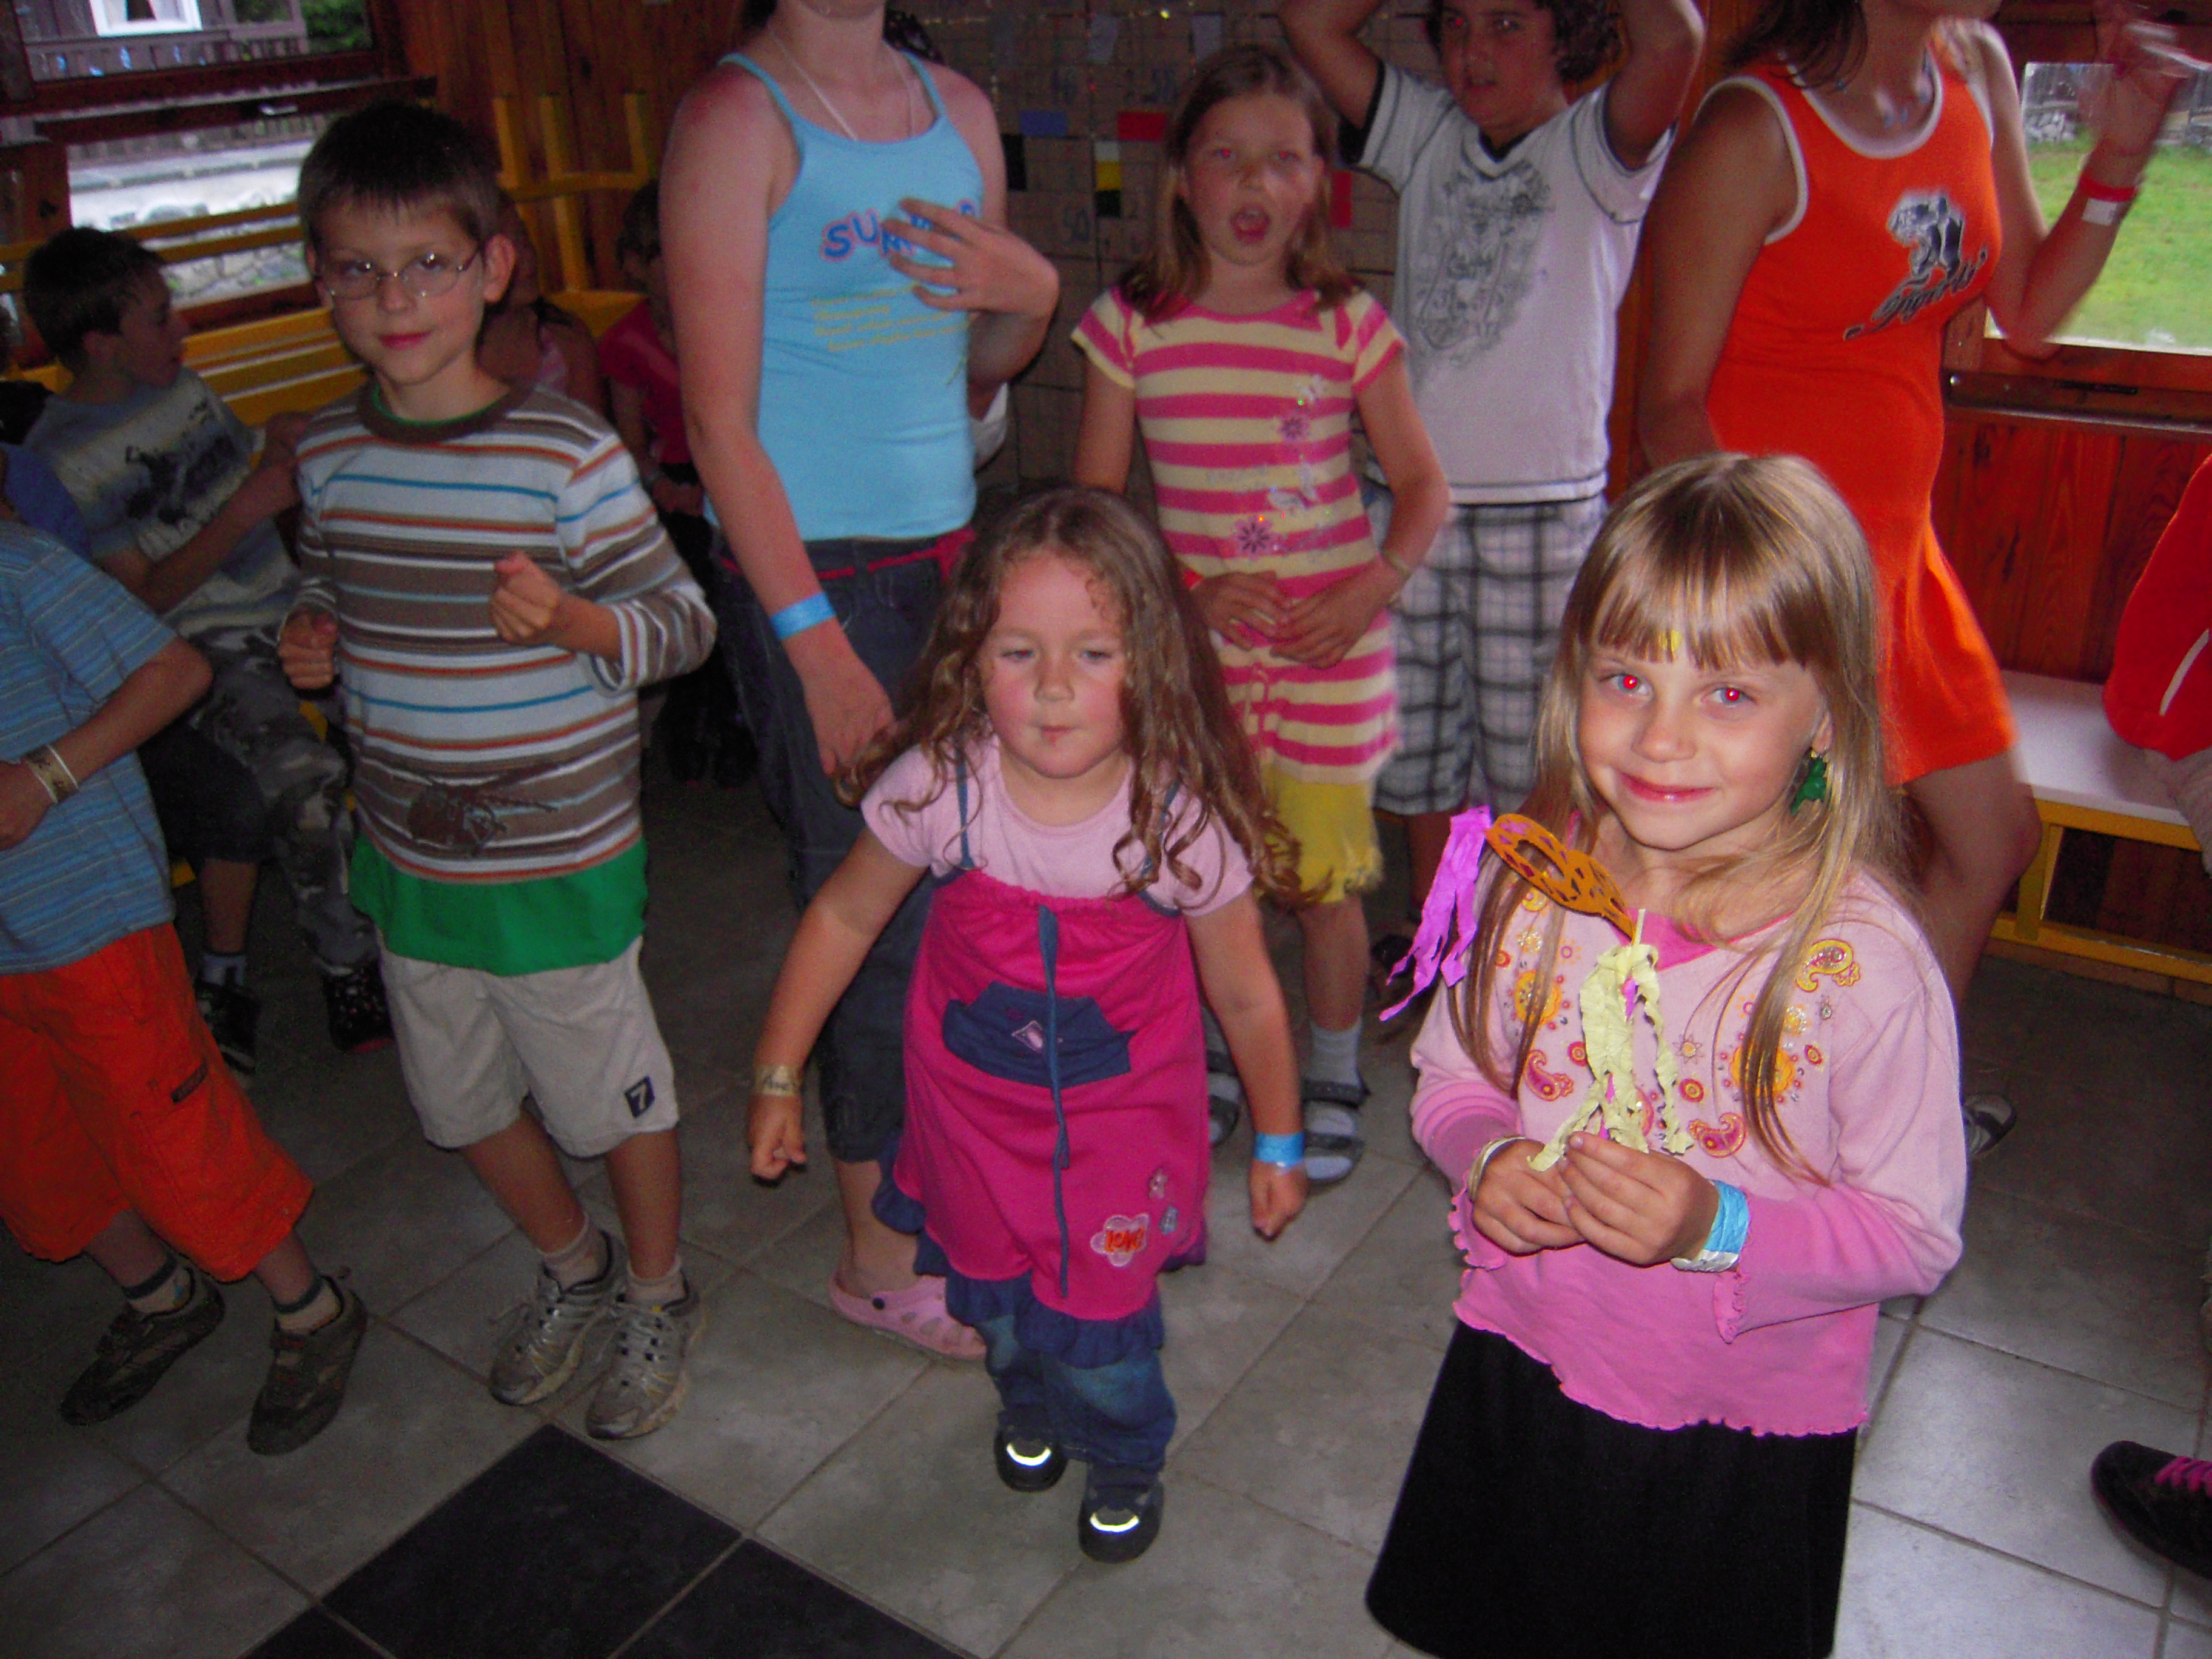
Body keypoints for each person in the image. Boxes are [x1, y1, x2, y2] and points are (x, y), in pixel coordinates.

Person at [1364, 455, 1967, 1658]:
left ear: (1825, 719)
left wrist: (1715, 1225)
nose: (1662, 736)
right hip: (1525, 1361)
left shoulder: (1864, 970)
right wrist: (1486, 1157)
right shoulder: (1532, 888)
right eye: (1627, 677)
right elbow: (1454, 1078)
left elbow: (1914, 1234)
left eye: (1729, 693)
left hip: (1733, 1434)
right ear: (1572, 679)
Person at [1637, 0, 2194, 1152]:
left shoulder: (1973, 65)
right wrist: (1762, 622)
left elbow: (2029, 314)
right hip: (1779, 590)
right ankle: (1749, 1144)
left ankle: (1883, 1121)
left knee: (1990, 843)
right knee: (1765, 899)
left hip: (1899, 562)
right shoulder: (1753, 127)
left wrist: (2123, 152)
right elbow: (1668, 408)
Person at [745, 488, 1310, 1563]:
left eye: (1093, 654)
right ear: (972, 660)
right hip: (970, 1131)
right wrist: (777, 1072)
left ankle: (1126, 1455)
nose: (1053, 688)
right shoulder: (941, 787)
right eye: (1018, 653)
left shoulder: (1174, 824)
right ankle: (1028, 1404)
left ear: (1152, 663)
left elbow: (1245, 997)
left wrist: (1279, 1140)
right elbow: (844, 916)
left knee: (1104, 1339)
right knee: (995, 1309)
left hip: (1116, 1141)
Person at [277, 101, 719, 1441]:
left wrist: (578, 622)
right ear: (322, 284)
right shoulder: (326, 456)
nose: (395, 297)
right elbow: (328, 588)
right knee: (460, 1103)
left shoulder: (564, 455)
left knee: (609, 1101)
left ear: (493, 270)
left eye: (428, 263)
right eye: (359, 269)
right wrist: (313, 640)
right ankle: (574, 1266)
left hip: (559, 865)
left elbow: (682, 625)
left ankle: (659, 1289)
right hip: (410, 864)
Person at [663, 0, 1057, 1358]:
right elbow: (716, 424)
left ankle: (945, 1176)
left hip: (951, 558)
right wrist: (817, 648)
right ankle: (878, 1256)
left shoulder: (958, 114)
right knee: (873, 910)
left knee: (970, 891)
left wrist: (1032, 296)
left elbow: (977, 375)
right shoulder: (736, 119)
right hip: (818, 580)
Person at [1071, 44, 1449, 1186]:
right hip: (1196, 660)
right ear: (1182, 178)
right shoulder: (1130, 323)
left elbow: (1422, 488)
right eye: (1226, 157)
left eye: (1284, 160)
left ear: (1318, 185)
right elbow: (1096, 508)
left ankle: (1331, 1072)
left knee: (1323, 883)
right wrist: (1187, 597)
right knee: (1201, 871)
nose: (1254, 183)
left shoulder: (1346, 321)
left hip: (1332, 654)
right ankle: (1221, 1058)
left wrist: (1368, 587)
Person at [1282, 0, 1701, 1007]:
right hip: (1412, 509)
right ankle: (1441, 943)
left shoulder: (1597, 146)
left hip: (1541, 520)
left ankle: (1527, 957)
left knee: (1535, 766)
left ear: (1565, 33)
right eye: (1458, 24)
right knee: (1422, 761)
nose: (1473, 51)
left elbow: (1676, 40)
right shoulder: (1427, 133)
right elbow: (1311, 23)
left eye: (1506, 24)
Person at [1, 504, 364, 1457]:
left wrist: (43, 777)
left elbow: (174, 670)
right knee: (32, 1148)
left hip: (84, 911)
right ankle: (161, 1297)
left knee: (168, 1127)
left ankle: (312, 1309)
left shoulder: (17, 564)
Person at [21, 227, 390, 1075]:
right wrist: (251, 505)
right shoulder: (62, 458)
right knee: (301, 774)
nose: (181, 329)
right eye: (159, 317)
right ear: (100, 344)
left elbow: (237, 474)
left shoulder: (178, 387)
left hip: (291, 597)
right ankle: (347, 965)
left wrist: (280, 443)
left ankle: (438, 898)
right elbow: (143, 595)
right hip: (202, 643)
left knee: (409, 701)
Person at [603, 180, 748, 788]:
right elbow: (631, 445)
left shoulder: (727, 326)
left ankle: (736, 724)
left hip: (731, 472)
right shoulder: (625, 342)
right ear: (637, 265)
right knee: (686, 587)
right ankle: (685, 721)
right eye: (666, 256)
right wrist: (669, 490)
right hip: (672, 485)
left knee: (739, 596)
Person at [477, 196, 608, 418]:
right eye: (503, 251)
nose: (527, 257)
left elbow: (587, 433)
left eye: (523, 238)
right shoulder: (448, 359)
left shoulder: (567, 343)